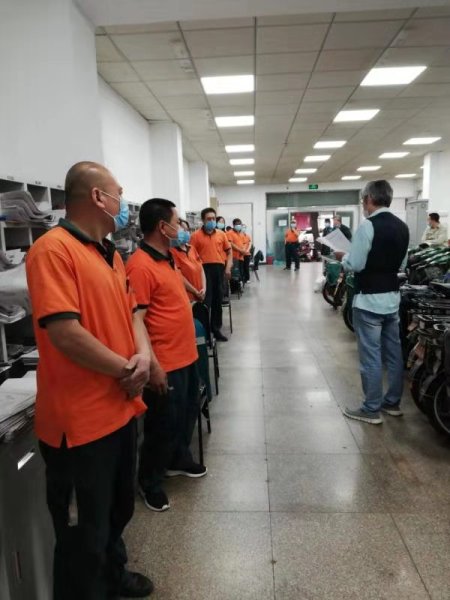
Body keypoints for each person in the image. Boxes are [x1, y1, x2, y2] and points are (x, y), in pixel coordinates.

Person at [25, 161, 153, 600]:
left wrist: (143, 358)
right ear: (99, 197)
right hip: (79, 427)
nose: (123, 203)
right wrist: (127, 370)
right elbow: (65, 333)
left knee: (117, 512)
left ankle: (114, 578)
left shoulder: (111, 254)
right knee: (82, 535)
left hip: (120, 408)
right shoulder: (53, 250)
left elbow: (133, 314)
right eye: (119, 193)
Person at [126, 199, 206, 513]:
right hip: (166, 362)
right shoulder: (139, 265)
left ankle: (178, 459)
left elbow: (175, 281)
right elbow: (136, 321)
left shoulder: (167, 257)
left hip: (186, 355)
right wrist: (154, 366)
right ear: (162, 227)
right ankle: (150, 481)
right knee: (163, 424)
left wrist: (194, 291)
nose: (181, 229)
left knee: (187, 412)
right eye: (176, 223)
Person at [335, 180, 409, 425]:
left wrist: (342, 257)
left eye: (363, 200)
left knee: (371, 356)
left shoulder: (368, 226)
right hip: (392, 298)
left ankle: (371, 409)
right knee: (394, 354)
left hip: (368, 301)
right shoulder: (402, 226)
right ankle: (392, 403)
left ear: (368, 199)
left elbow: (355, 264)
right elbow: (402, 264)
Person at [190, 207, 232, 342]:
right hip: (204, 270)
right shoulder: (195, 236)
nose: (212, 221)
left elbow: (229, 252)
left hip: (219, 270)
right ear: (203, 220)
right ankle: (205, 332)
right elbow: (191, 256)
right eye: (209, 219)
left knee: (217, 301)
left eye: (213, 218)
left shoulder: (221, 234)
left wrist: (228, 267)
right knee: (205, 302)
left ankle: (216, 329)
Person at [171, 219, 206, 302]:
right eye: (183, 229)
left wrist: (204, 289)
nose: (186, 232)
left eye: (187, 230)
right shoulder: (172, 252)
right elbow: (179, 276)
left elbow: (201, 269)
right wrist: (195, 291)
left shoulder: (192, 248)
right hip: (186, 297)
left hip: (200, 294)